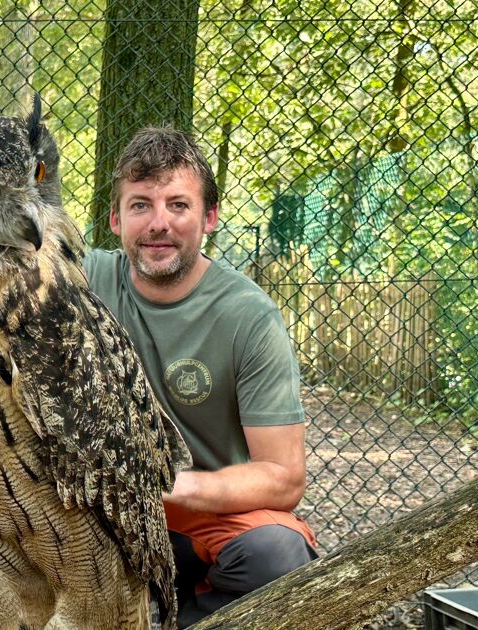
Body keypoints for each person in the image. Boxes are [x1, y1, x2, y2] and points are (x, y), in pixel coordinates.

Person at [84, 127, 317, 626]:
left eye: (178, 205)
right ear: (115, 219)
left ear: (209, 217)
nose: (158, 224)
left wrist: (164, 485)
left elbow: (284, 477)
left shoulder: (248, 315)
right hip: (103, 519)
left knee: (277, 554)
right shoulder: (80, 281)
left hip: (203, 515)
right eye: (141, 205)